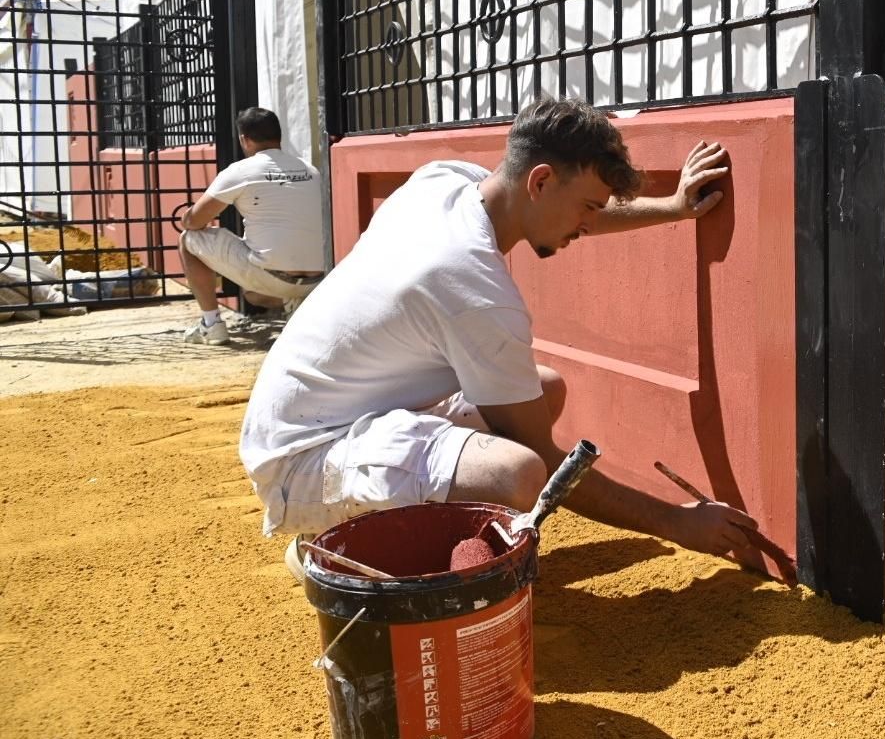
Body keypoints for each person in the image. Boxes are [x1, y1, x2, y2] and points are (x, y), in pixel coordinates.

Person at [238, 97, 757, 576]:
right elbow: (547, 462)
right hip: (302, 457)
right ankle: (332, 545)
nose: (586, 224)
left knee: (544, 387)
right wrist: (677, 522)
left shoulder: (448, 181)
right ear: (541, 181)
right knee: (518, 473)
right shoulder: (471, 287)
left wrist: (673, 207)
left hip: (322, 416)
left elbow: (569, 217)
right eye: (588, 206)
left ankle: (356, 519)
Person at [178, 107, 328, 345]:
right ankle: (295, 304)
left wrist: (186, 217)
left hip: (271, 277)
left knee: (188, 240)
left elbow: (194, 222)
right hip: (319, 281)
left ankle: (211, 325)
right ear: (279, 137)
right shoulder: (310, 169)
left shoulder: (241, 171)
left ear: (244, 139)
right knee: (254, 292)